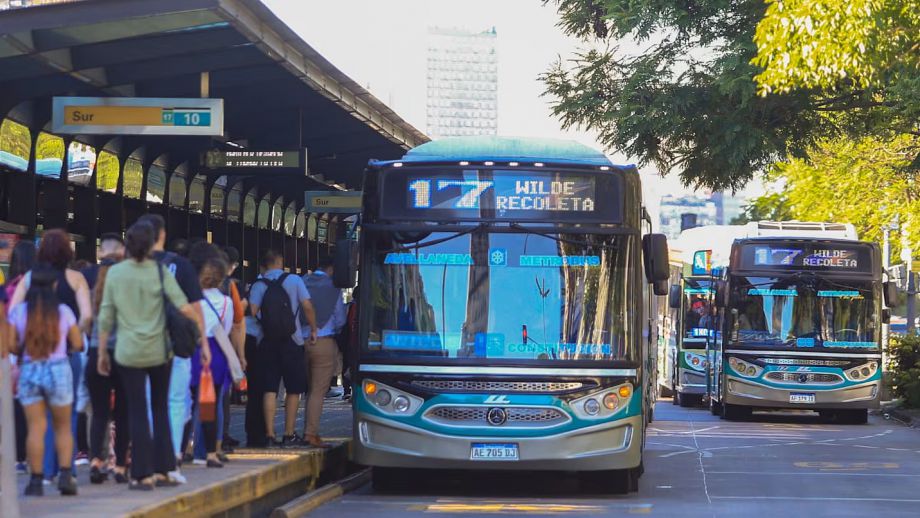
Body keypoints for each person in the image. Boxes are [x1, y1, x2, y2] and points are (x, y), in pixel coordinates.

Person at [96, 221, 210, 490]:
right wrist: (201, 340)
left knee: (137, 411)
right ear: (151, 245)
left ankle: (142, 474)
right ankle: (165, 468)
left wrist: (102, 351)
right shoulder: (160, 273)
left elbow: (106, 315)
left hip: (128, 351)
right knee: (161, 409)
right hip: (160, 350)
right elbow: (185, 308)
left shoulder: (116, 274)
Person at [9, 230, 93, 485]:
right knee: (65, 419)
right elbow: (88, 315)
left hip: (32, 358)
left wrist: (23, 345)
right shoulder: (75, 278)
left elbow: (12, 312)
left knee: (39, 422)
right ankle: (66, 472)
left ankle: (42, 473)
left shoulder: (29, 278)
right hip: (65, 356)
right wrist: (72, 335)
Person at [137, 214, 208, 480]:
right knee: (176, 401)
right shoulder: (180, 265)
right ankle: (171, 458)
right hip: (174, 344)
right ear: (162, 235)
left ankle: (145, 461)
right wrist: (203, 343)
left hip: (137, 344)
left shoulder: (129, 267)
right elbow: (194, 308)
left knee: (144, 402)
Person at [249, 249, 317, 447]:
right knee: (293, 388)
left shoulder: (259, 284)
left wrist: (265, 322)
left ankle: (269, 435)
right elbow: (307, 306)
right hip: (292, 341)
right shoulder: (295, 280)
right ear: (280, 262)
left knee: (269, 388)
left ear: (263, 265)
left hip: (267, 342)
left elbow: (252, 311)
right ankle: (289, 433)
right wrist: (312, 329)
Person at [82, 233, 130, 484]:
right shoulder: (126, 280)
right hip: (122, 355)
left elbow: (86, 320)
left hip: (94, 354)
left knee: (99, 412)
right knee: (123, 413)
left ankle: (95, 461)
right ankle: (120, 465)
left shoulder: (87, 277)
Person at [190, 255, 235, 467]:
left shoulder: (192, 300)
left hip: (194, 352)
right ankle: (207, 451)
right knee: (211, 403)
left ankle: (188, 448)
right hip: (217, 353)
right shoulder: (227, 302)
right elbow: (225, 330)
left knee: (189, 403)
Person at [299, 254, 346, 447]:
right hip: (323, 341)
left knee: (305, 390)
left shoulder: (302, 282)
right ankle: (310, 434)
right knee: (317, 391)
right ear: (332, 269)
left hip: (300, 342)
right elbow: (340, 319)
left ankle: (290, 432)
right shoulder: (334, 288)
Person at [5, 240, 36, 474]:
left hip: (12, 350)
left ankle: (16, 457)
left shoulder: (8, 289)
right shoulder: (42, 288)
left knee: (14, 403)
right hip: (39, 350)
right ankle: (31, 456)